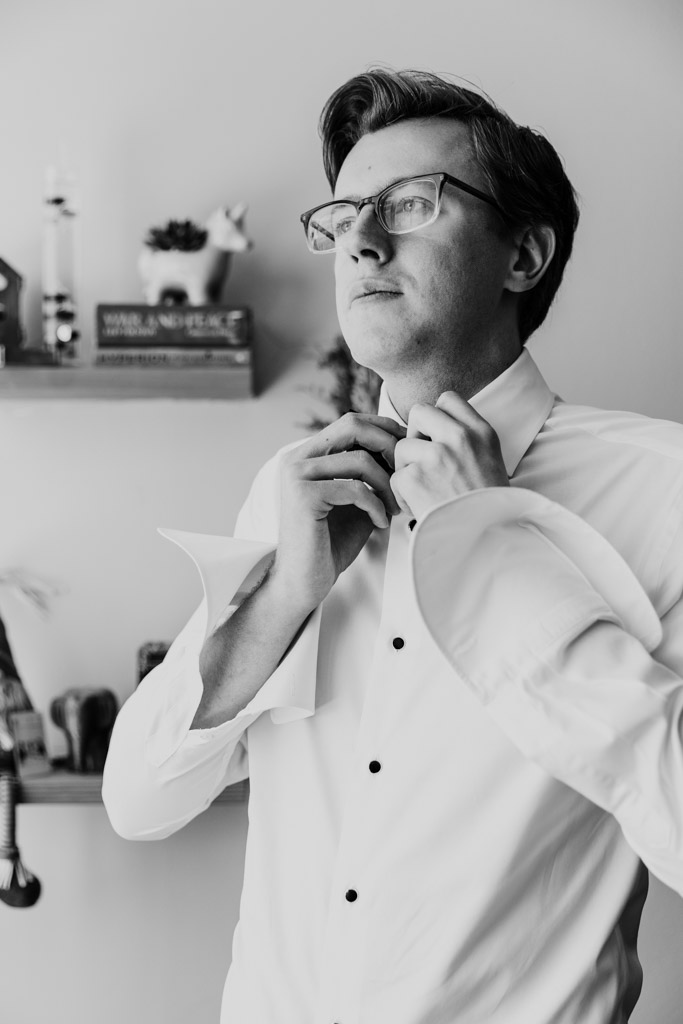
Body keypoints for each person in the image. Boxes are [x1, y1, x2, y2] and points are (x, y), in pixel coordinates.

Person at [102, 68, 683, 1024]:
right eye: (340, 217)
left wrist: (493, 555)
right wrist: (285, 594)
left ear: (523, 255)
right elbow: (139, 799)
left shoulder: (663, 490)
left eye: (412, 204)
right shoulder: (294, 493)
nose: (361, 240)